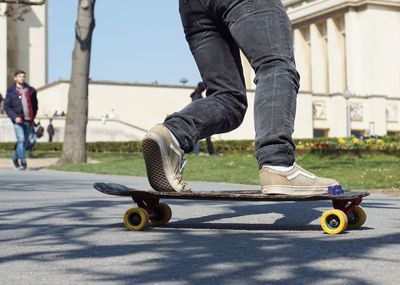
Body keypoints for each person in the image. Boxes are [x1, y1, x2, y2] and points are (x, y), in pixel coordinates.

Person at [141, 0, 340, 195]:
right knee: (275, 67)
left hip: (192, 7)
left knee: (228, 98)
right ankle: (278, 165)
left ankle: (173, 134)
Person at [4, 70, 38, 170]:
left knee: (25, 142)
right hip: (18, 120)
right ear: (15, 78)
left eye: (23, 76)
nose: (22, 78)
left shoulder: (31, 91)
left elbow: (35, 106)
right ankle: (23, 161)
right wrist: (15, 117)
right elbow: (7, 107)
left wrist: (33, 117)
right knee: (21, 139)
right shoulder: (11, 92)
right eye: (19, 76)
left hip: (28, 120)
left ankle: (14, 158)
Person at [190, 82, 206, 154]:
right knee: (196, 135)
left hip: (194, 117)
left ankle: (193, 151)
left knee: (194, 135)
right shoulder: (197, 96)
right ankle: (196, 151)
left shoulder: (196, 95)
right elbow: (197, 107)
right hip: (196, 118)